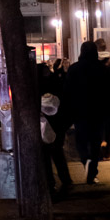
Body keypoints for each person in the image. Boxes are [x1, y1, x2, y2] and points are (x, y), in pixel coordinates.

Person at [64, 41, 110, 184]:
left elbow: (67, 91)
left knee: (81, 140)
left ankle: (85, 159)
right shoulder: (102, 69)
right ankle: (92, 172)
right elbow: (109, 92)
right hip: (98, 111)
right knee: (95, 142)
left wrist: (68, 110)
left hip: (79, 111)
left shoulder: (74, 69)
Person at [37, 61, 71, 195]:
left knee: (47, 155)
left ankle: (51, 184)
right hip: (57, 124)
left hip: (47, 124)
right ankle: (65, 180)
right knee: (57, 153)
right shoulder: (56, 81)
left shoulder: (39, 85)